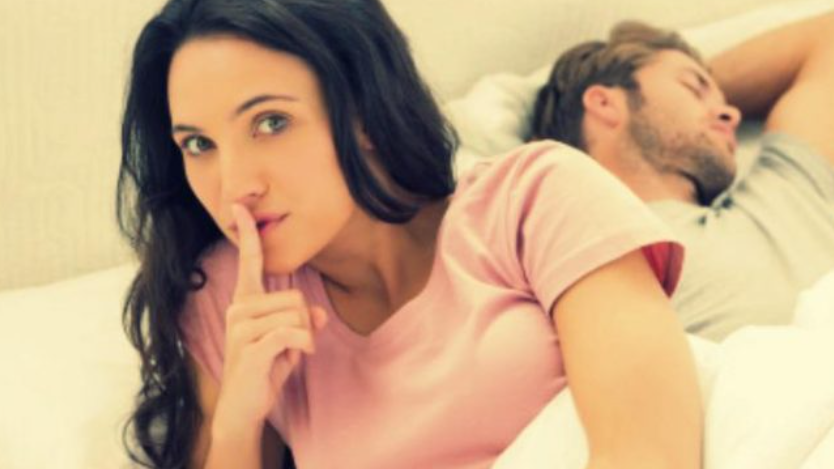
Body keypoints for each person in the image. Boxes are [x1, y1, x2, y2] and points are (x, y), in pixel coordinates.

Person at [116, 1, 702, 468]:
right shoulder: (228, 296)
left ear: (364, 113)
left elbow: (650, 455)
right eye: (199, 144)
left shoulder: (535, 200)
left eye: (271, 122)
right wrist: (238, 423)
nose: (234, 185)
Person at [530, 13, 834, 341]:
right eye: (693, 88)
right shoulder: (562, 253)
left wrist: (693, 97)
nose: (732, 113)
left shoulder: (787, 195)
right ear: (604, 103)